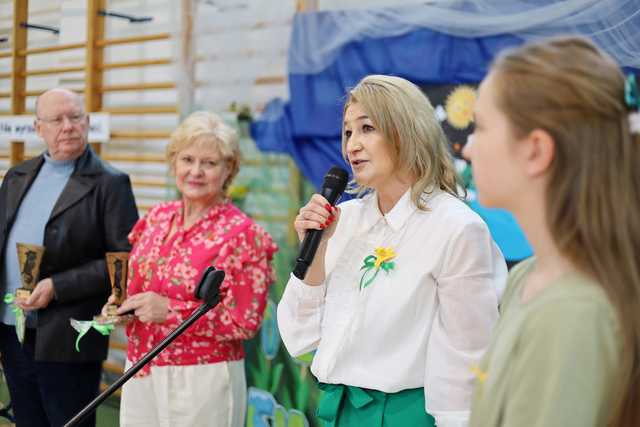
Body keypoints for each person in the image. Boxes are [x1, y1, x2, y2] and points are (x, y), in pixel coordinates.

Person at [277, 75, 507, 427]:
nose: (352, 145)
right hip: (337, 412)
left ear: (406, 131)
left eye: (367, 128)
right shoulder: (345, 219)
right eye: (348, 132)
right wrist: (317, 248)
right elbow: (300, 337)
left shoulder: (457, 228)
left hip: (410, 416)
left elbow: (468, 356)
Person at [464, 36, 640, 427]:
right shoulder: (526, 276)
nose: (467, 149)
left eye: (480, 127)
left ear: (536, 151)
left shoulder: (571, 313)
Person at [106, 111, 278, 427]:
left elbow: (245, 323)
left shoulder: (243, 234)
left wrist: (169, 311)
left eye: (209, 163)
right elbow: (139, 287)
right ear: (174, 162)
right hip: (139, 367)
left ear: (229, 170)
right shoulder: (156, 218)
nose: (195, 171)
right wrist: (124, 305)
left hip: (202, 377)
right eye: (187, 159)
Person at [0, 88, 139, 426]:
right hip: (12, 329)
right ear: (38, 128)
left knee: (68, 421)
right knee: (27, 418)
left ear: (87, 122)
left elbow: (124, 259)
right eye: (57, 119)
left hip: (69, 336)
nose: (68, 126)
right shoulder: (16, 176)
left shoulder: (110, 182)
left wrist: (57, 285)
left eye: (75, 117)